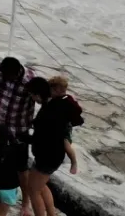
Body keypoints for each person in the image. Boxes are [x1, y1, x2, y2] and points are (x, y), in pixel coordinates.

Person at [0, 57, 37, 216]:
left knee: (21, 167)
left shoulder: (29, 80)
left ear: (17, 72)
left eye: (9, 76)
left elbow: (42, 99)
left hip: (19, 130)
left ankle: (25, 202)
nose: (6, 79)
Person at [26, 76, 80, 216]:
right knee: (41, 186)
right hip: (50, 155)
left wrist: (28, 138)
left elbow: (47, 135)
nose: (32, 99)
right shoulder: (54, 104)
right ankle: (51, 214)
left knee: (33, 190)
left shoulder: (52, 109)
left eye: (32, 95)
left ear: (38, 94)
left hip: (48, 156)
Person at [48, 76, 83, 175]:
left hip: (65, 127)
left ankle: (74, 162)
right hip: (58, 126)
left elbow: (77, 112)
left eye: (51, 90)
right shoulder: (54, 99)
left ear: (56, 90)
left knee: (65, 144)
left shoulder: (67, 100)